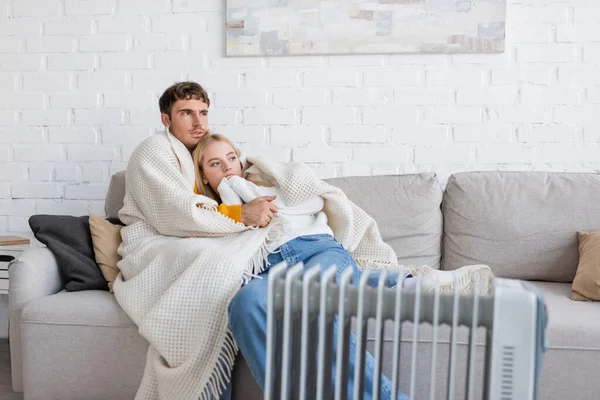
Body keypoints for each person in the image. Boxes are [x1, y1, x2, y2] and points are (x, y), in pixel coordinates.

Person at [192, 133, 492, 399]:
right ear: (204, 176)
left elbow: (305, 196)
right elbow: (197, 222)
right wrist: (237, 211)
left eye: (231, 157)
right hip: (270, 270)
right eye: (215, 164)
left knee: (311, 302)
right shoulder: (212, 212)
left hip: (316, 249)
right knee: (245, 303)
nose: (228, 166)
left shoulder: (267, 181)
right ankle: (413, 285)